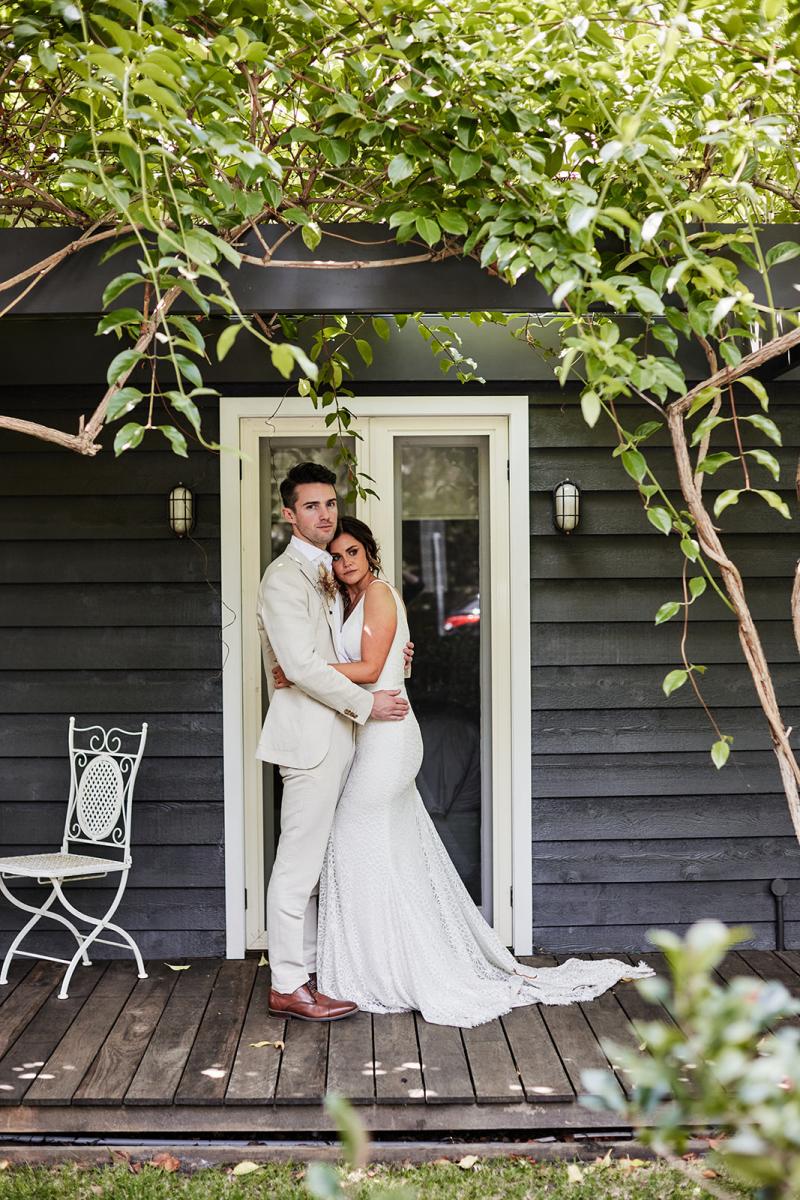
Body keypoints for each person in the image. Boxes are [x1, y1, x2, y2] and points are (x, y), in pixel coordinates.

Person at [274, 515, 654, 1028]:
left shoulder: (380, 595)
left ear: (370, 553)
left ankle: (389, 966)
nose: (344, 564)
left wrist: (296, 674)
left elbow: (366, 670)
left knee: (351, 838)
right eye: (337, 557)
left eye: (353, 554)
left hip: (388, 738)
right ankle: (381, 960)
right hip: (368, 735)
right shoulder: (350, 601)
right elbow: (384, 663)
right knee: (377, 851)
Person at [256, 463, 412, 1024]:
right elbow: (299, 664)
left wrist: (390, 660)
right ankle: (288, 985)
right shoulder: (282, 578)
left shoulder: (332, 577)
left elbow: (346, 651)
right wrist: (367, 702)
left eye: (330, 503)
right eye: (311, 506)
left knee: (324, 864)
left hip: (347, 741)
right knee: (298, 866)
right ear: (289, 514)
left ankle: (313, 969)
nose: (324, 514)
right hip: (312, 743)